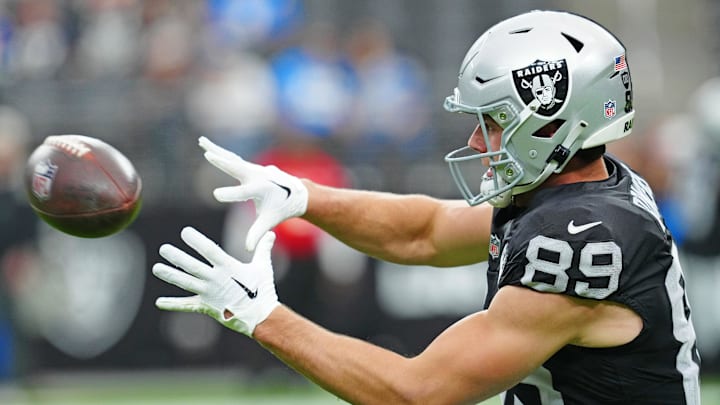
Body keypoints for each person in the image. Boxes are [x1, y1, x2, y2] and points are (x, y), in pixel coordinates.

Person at [152, 10, 701, 404]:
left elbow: (417, 392)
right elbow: (426, 233)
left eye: (493, 121)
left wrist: (260, 317)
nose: (480, 140)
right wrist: (302, 196)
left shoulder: (581, 238)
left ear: (552, 123)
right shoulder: (576, 189)